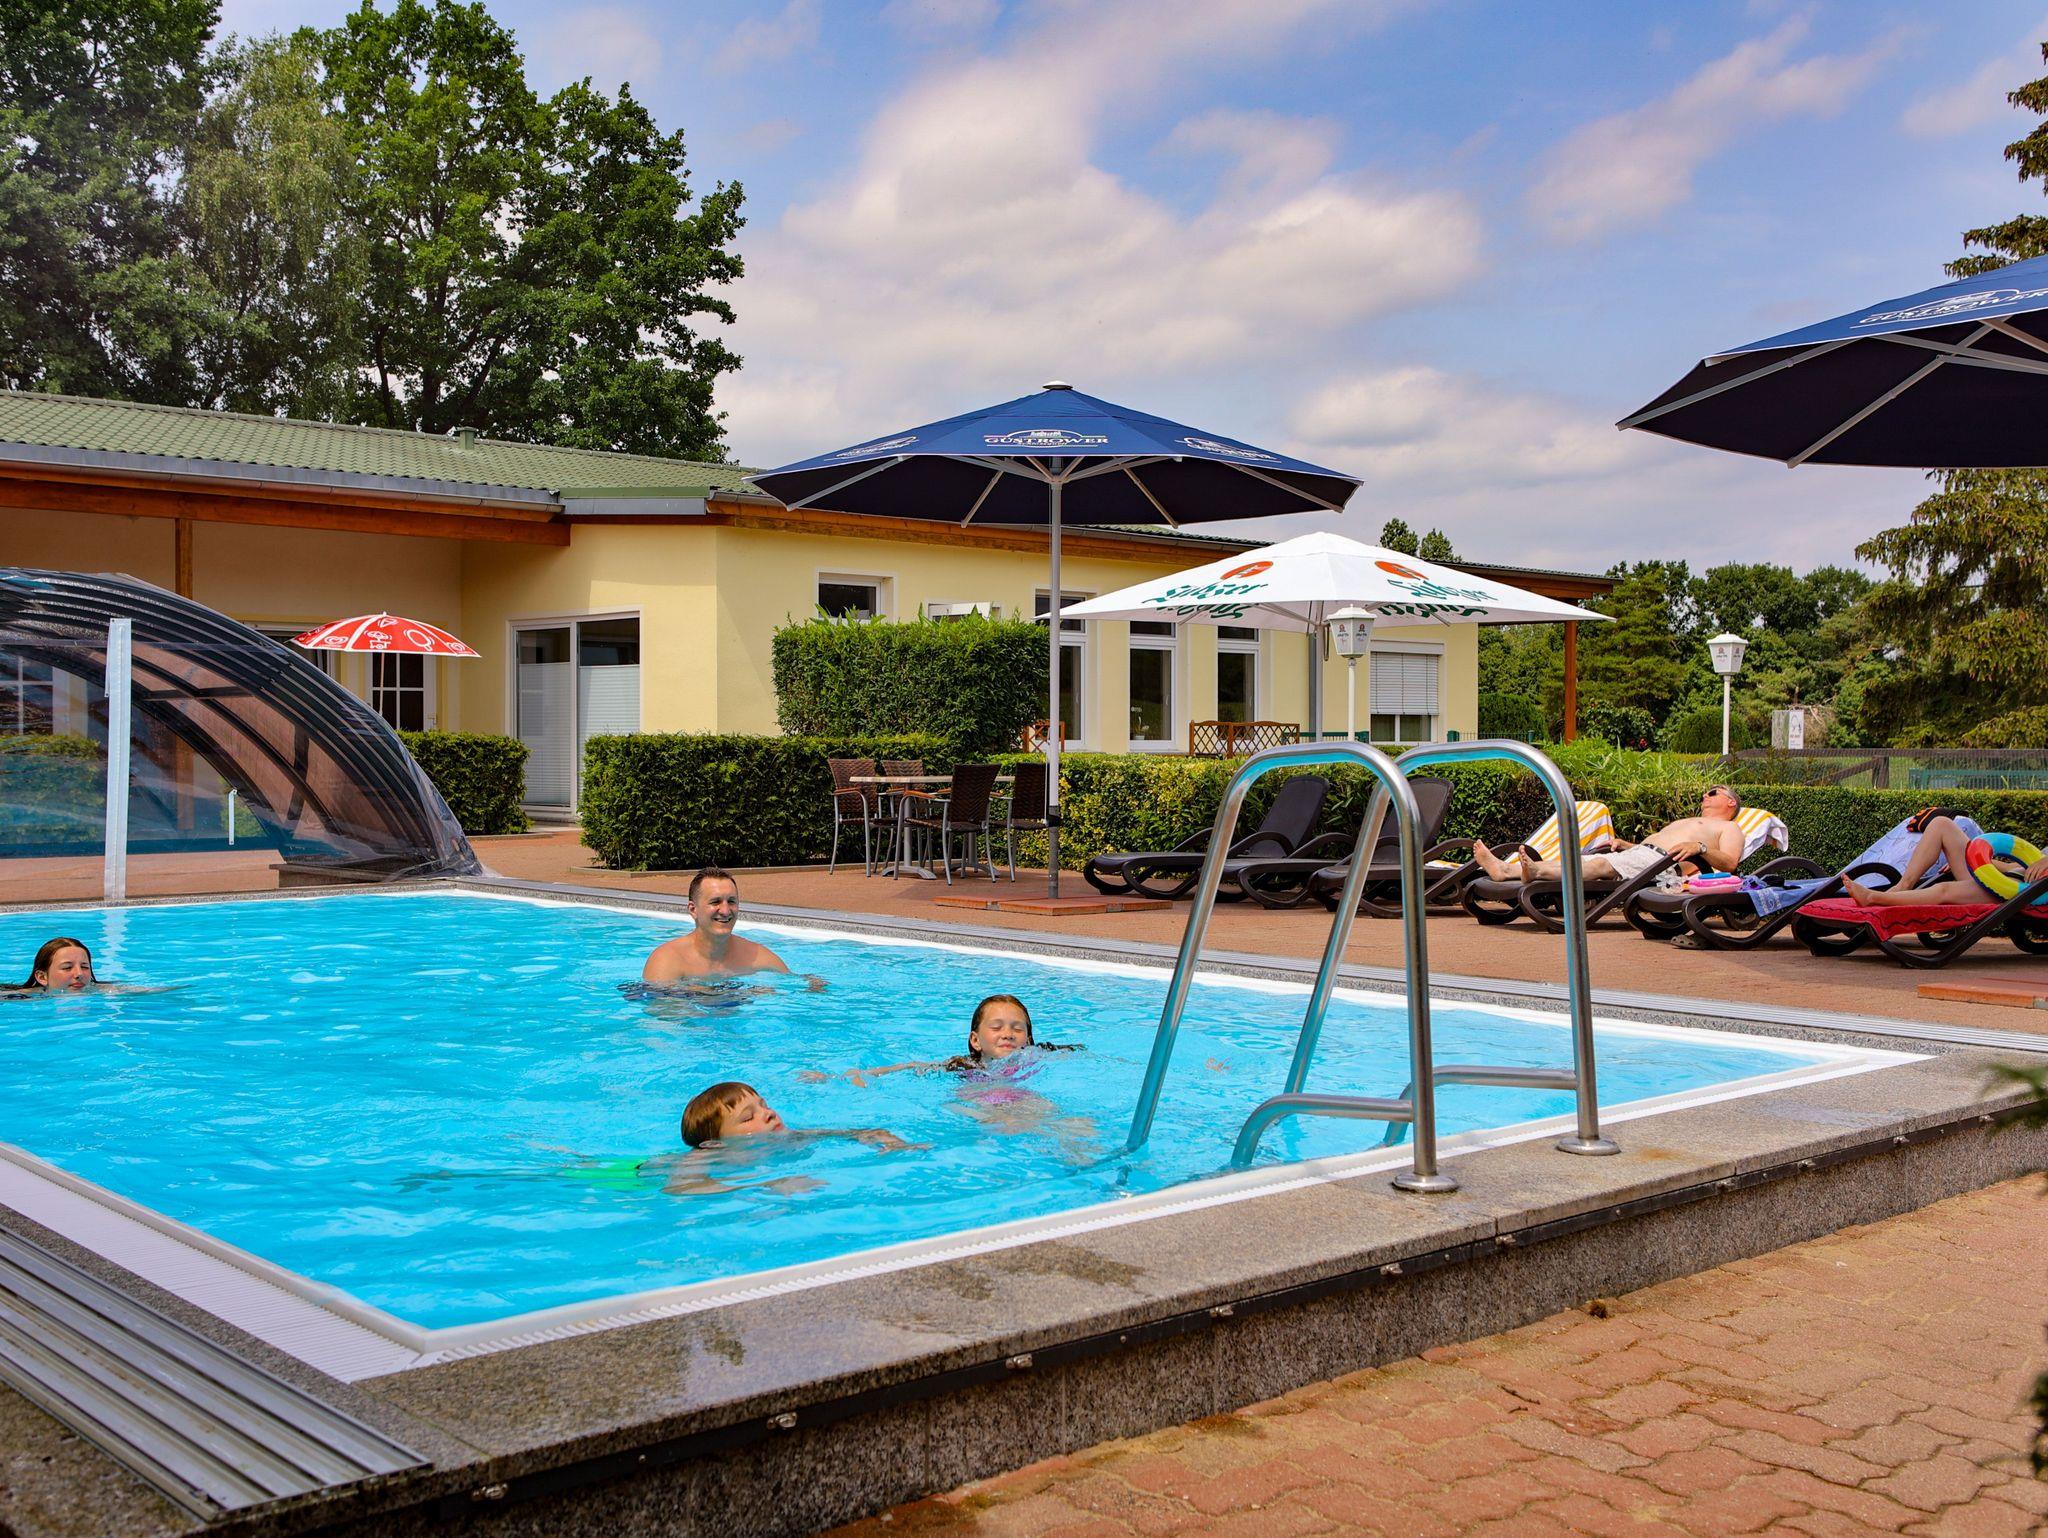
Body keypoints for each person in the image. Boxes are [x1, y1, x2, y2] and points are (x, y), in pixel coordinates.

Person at [662, 1080, 920, 1195]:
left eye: (763, 1105)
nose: (768, 1114)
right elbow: (683, 1188)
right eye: (748, 1117)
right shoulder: (704, 1157)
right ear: (715, 1143)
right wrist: (765, 1185)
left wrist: (888, 1141)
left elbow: (856, 1133)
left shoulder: (788, 1137)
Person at [1473, 784, 1747, 887]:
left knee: (1600, 865)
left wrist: (1699, 847)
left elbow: (1731, 863)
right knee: (1583, 860)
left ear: (1730, 802)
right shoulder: (1692, 820)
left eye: (1712, 792)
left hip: (1663, 865)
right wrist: (1626, 844)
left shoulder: (1730, 828)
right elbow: (1653, 847)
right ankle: (1505, 870)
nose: (1705, 795)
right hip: (1643, 856)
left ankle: (1535, 872)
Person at [800, 994, 1077, 1086]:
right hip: (981, 1101)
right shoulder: (965, 1066)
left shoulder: (1036, 1056)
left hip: (1023, 1099)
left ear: (1028, 1039)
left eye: (1017, 1029)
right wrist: (840, 1077)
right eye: (996, 1027)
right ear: (975, 1040)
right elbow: (911, 1067)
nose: (1008, 1033)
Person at [642, 868, 814, 985]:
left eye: (731, 901)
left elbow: (803, 983)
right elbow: (664, 1016)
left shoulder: (755, 955)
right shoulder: (667, 960)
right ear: (693, 910)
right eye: (715, 902)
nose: (725, 911)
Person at [1842, 815, 2048, 908]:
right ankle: (1902, 886)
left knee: (1945, 890)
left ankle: (1874, 898)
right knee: (1941, 824)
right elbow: (2016, 867)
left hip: (2018, 893)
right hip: (2004, 879)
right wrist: (1978, 863)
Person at [15, 937, 94, 992]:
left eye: (84, 967)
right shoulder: (17, 999)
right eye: (67, 967)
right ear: (42, 977)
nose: (79, 973)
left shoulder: (101, 992)